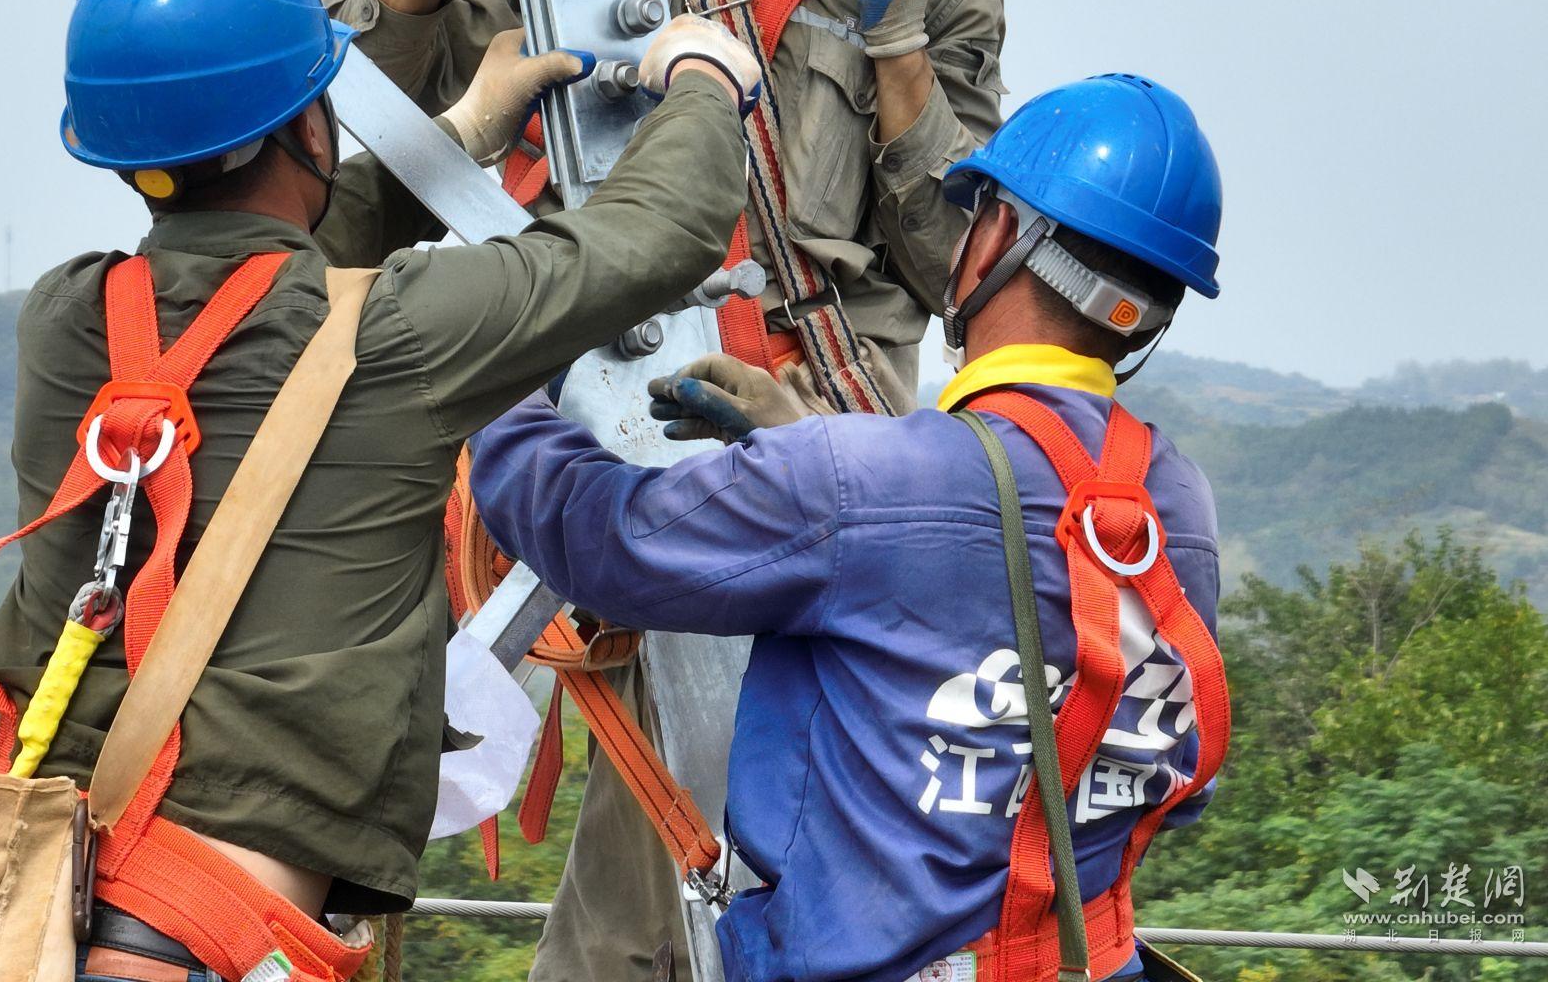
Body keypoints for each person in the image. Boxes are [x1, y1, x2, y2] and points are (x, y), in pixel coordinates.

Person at [326, 0, 1008, 966]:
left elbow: (961, 274)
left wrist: (891, 54)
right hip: (609, 450)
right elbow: (331, 153)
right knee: (638, 881)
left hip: (824, 456)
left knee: (814, 849)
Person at [0, 0, 763, 982]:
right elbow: (655, 237)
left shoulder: (67, 321)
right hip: (223, 936)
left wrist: (458, 137)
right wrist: (707, 80)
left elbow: (251, 285)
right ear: (308, 125)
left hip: (54, 913)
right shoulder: (398, 334)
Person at [469, 74, 1229, 982]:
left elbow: (600, 541)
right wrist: (803, 443)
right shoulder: (1172, 504)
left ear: (1000, 233)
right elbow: (1161, 770)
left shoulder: (857, 482)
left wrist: (492, 380)